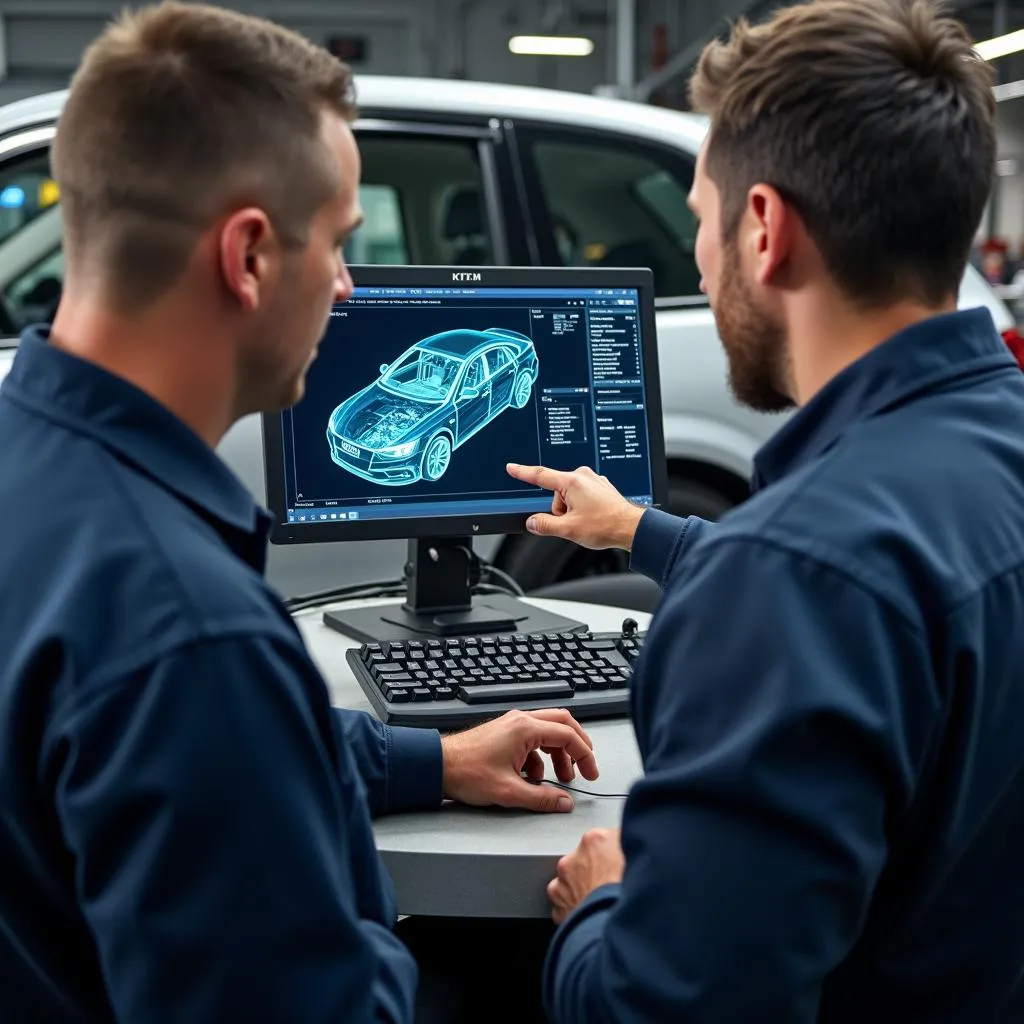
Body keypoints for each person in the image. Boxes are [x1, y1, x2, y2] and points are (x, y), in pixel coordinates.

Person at [0, 4, 600, 1022]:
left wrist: (435, 759)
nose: (348, 284)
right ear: (247, 258)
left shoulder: (33, 474)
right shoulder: (187, 627)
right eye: (335, 244)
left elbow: (191, 753)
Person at [505, 0, 1024, 1020]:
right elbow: (889, 588)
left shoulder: (791, 577)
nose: (700, 259)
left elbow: (664, 1007)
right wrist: (641, 531)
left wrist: (601, 911)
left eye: (698, 219)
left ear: (763, 228)